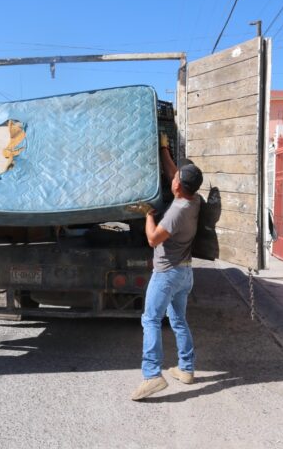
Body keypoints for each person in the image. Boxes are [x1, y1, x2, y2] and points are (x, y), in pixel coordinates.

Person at [130, 133, 203, 401]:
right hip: (185, 272)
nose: (172, 178)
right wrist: (164, 149)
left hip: (167, 274)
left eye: (175, 179)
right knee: (178, 320)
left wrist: (148, 215)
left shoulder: (175, 212)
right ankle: (186, 368)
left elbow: (152, 239)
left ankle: (152, 375)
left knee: (150, 319)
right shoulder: (194, 199)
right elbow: (175, 174)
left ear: (178, 187)